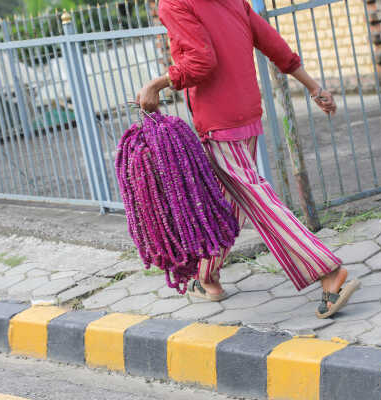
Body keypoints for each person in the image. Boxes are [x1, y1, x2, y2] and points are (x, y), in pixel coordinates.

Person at [136, 0, 359, 318]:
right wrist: (313, 87)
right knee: (230, 201)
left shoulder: (175, 3)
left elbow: (200, 62)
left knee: (256, 197)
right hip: (247, 112)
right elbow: (272, 43)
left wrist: (155, 85)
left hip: (219, 119)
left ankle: (328, 271)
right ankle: (207, 278)